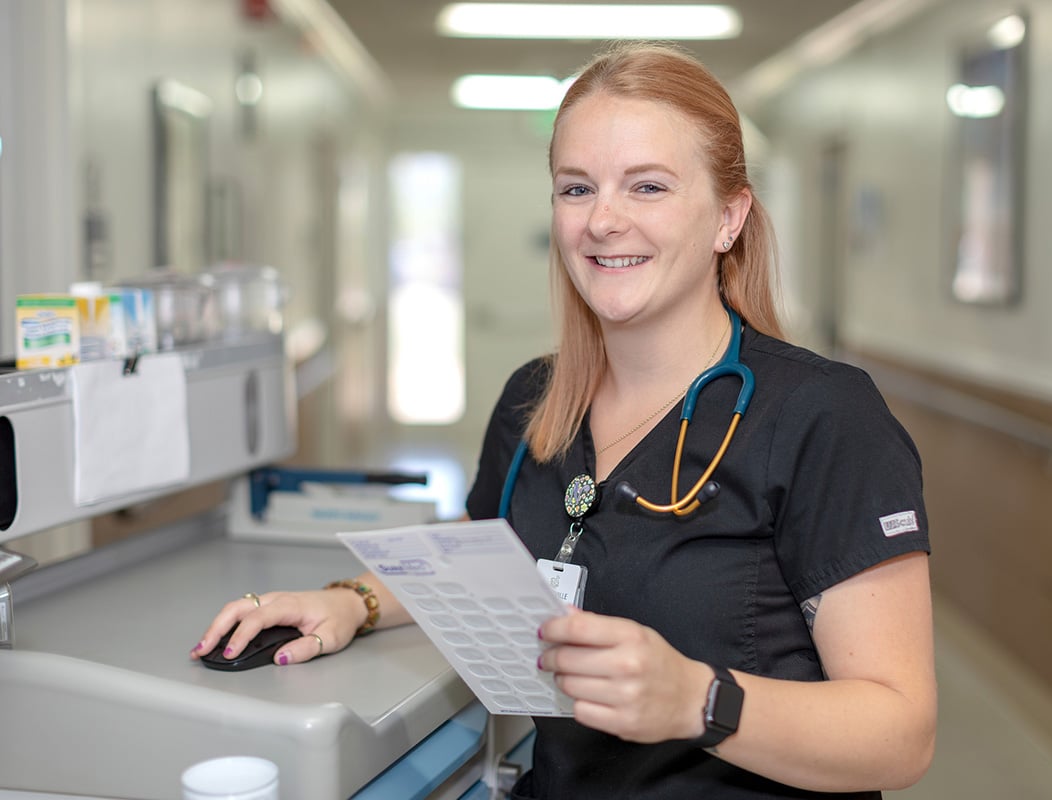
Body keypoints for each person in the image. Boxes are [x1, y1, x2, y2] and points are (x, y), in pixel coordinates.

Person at [191, 42, 936, 799]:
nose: (604, 221)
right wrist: (353, 600)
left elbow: (899, 733)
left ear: (728, 217)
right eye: (577, 188)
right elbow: (484, 552)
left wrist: (696, 700)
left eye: (647, 186)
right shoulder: (534, 402)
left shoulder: (823, 418)